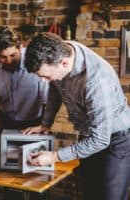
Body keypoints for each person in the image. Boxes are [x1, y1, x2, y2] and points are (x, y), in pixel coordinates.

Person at [23, 32, 130, 200]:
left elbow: (101, 140)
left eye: (46, 76)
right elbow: (54, 89)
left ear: (64, 63)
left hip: (116, 141)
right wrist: (46, 124)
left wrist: (54, 156)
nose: (44, 81)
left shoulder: (97, 81)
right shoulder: (62, 51)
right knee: (90, 195)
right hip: (89, 135)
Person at [0, 26, 49, 135]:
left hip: (35, 122)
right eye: (3, 57)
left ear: (21, 47)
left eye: (13, 55)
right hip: (5, 121)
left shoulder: (36, 60)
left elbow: (48, 100)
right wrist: (0, 129)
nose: (8, 61)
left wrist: (44, 125)